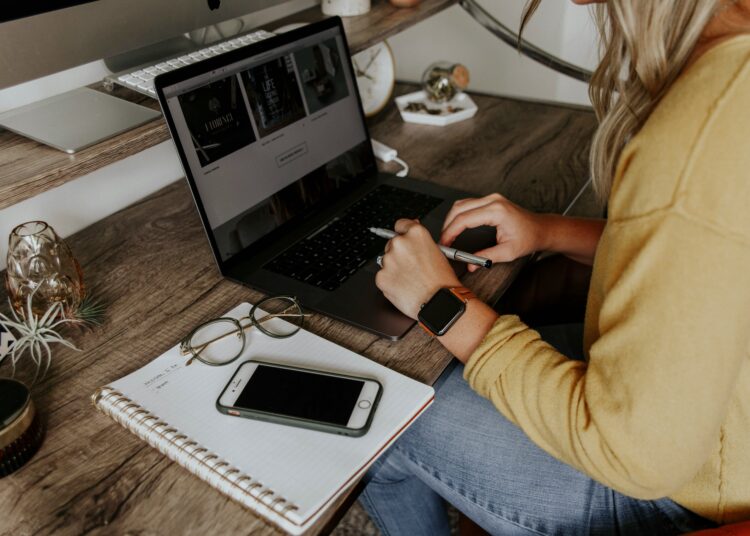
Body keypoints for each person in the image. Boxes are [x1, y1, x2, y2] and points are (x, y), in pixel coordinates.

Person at [360, 0, 750, 534]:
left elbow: (635, 456)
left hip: (682, 495)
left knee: (379, 409)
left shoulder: (697, 134)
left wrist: (439, 300)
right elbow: (701, 259)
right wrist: (547, 230)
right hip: (716, 422)